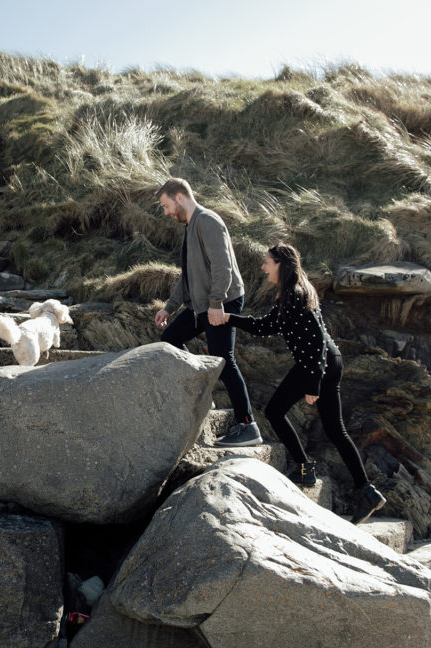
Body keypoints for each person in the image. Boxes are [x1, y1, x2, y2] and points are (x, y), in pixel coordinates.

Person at [221, 242, 387, 524]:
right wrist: (229, 318)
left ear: (280, 264)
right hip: (328, 362)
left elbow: (315, 341)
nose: (263, 267)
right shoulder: (294, 292)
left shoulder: (295, 294)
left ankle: (303, 467)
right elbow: (265, 327)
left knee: (274, 411)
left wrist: (313, 383)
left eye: (267, 262)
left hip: (317, 363)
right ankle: (368, 492)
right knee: (336, 431)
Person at [153, 177, 261, 447]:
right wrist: (169, 307)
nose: (166, 213)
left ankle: (248, 426)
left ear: (179, 197)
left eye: (166, 205)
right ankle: (203, 384)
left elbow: (223, 266)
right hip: (201, 302)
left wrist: (216, 304)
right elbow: (188, 275)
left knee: (223, 359)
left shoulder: (207, 221)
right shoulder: (191, 226)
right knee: (170, 340)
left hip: (222, 300)